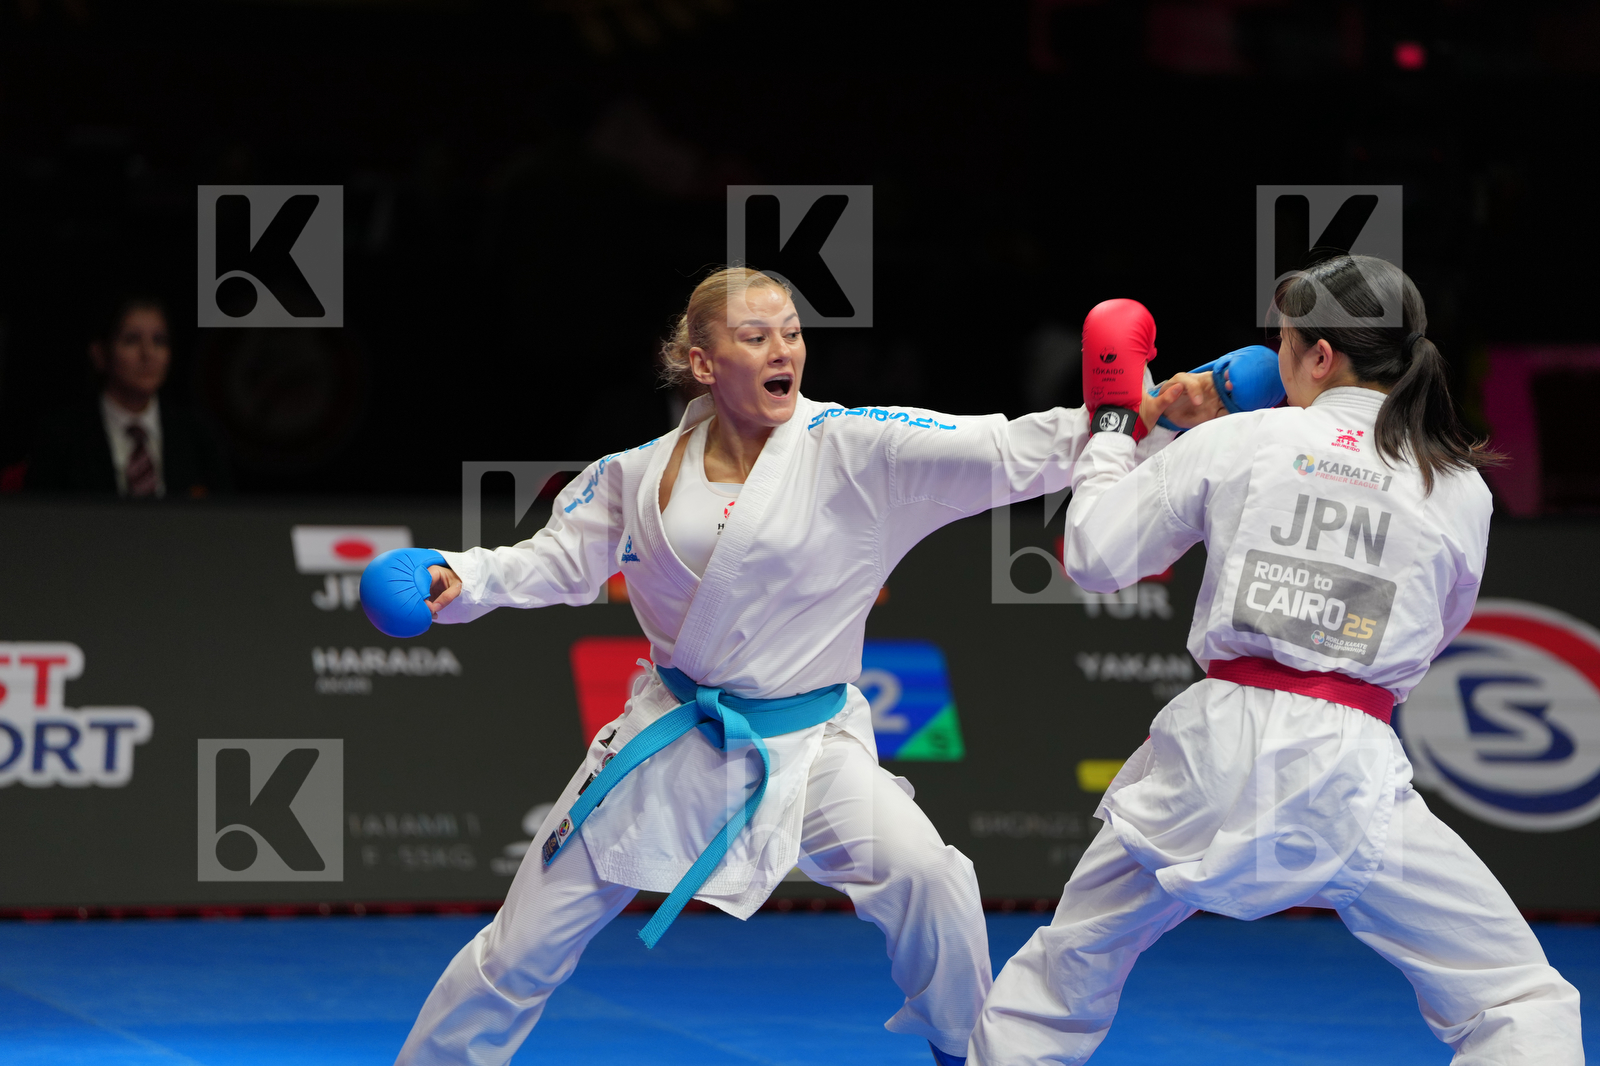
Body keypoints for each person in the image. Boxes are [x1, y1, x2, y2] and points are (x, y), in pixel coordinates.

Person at [390, 268, 1230, 1066]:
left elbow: (1012, 450)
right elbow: (552, 563)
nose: (784, 351)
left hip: (812, 746)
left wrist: (1143, 412)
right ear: (702, 361)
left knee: (930, 879)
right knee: (521, 947)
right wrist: (458, 578)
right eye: (755, 337)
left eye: (792, 333)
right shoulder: (633, 476)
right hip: (665, 741)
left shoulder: (855, 448)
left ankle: (970, 1055)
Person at [969, 256, 1583, 1065]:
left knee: (1064, 974)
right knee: (1517, 996)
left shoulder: (1247, 438)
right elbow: (1435, 628)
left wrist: (1121, 428)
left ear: (1321, 356)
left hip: (1207, 758)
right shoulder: (1459, 482)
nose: (1275, 355)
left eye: (1285, 341)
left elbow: (1093, 553)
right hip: (1349, 768)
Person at [25, 296, 230, 497]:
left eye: (159, 341)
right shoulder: (61, 437)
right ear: (100, 354)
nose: (148, 353)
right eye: (131, 340)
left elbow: (226, 518)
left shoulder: (198, 435)